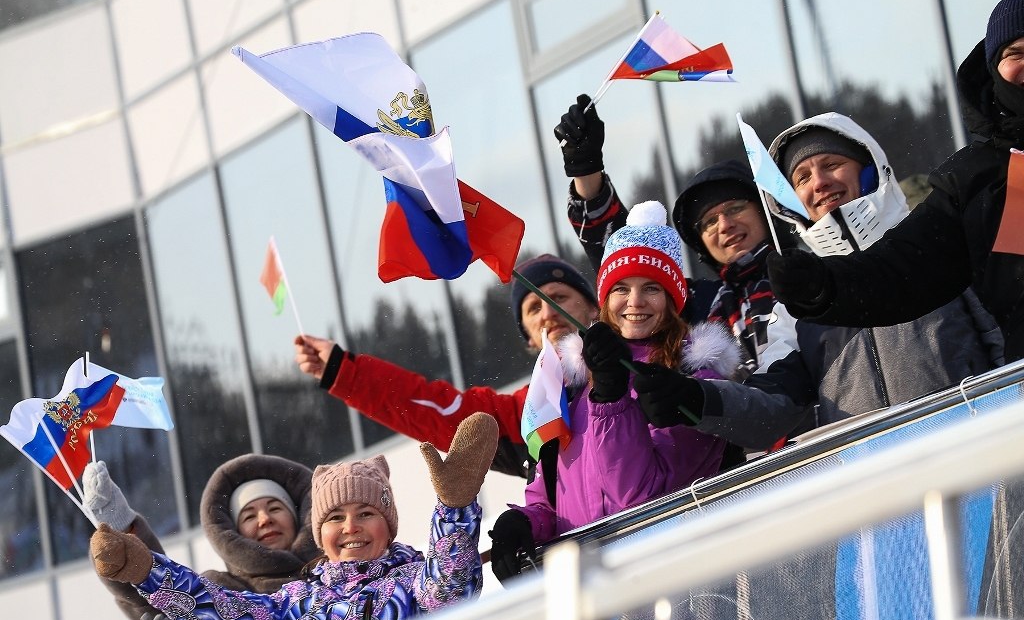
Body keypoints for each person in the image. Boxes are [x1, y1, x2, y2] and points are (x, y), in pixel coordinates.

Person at [634, 113, 1002, 449]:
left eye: (832, 164)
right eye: (803, 177)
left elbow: (1005, 340)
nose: (820, 183)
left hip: (975, 459)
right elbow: (774, 407)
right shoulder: (797, 301)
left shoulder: (939, 246)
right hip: (876, 495)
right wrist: (697, 399)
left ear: (870, 170)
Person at [766, 0, 1024, 362]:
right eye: (1014, 54)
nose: (819, 182)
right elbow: (902, 272)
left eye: (831, 165)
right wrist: (822, 286)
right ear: (994, 70)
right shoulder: (982, 177)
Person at [488, 202, 739, 582]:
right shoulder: (571, 388)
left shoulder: (692, 383)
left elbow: (639, 498)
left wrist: (611, 399)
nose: (635, 302)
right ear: (604, 301)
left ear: (673, 300)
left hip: (670, 587)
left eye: (651, 288)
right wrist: (522, 522)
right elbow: (553, 498)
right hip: (593, 596)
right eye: (621, 288)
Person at [90, 412, 499, 620]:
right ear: (320, 533)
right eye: (335, 517)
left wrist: (454, 505)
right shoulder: (294, 603)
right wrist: (145, 570)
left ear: (389, 526)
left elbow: (450, 585)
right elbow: (218, 609)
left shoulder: (414, 581)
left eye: (367, 513)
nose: (351, 526)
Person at [294, 253, 600, 480]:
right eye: (534, 308)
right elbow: (434, 410)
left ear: (593, 306)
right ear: (529, 339)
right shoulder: (525, 412)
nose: (548, 312)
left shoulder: (640, 358)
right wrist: (343, 372)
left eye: (559, 297)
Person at [555, 95, 778, 374]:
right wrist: (586, 170)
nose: (724, 224)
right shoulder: (703, 305)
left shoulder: (815, 269)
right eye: (708, 222)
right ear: (700, 242)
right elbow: (630, 261)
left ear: (764, 210)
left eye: (735, 208)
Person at [86, 454, 320, 620]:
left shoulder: (334, 575)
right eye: (249, 515)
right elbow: (166, 598)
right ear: (234, 530)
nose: (264, 519)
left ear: (298, 516)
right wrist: (120, 527)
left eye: (275, 507)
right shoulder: (219, 590)